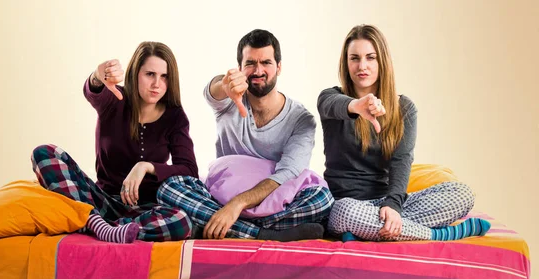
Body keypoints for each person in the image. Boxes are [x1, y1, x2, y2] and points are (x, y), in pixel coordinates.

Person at [317, 24, 490, 242]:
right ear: (346, 62)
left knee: (462, 194)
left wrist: (393, 206)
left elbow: (401, 160)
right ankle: (437, 235)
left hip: (387, 203)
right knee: (345, 213)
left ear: (382, 61)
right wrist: (357, 106)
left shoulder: (405, 108)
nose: (362, 65)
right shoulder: (331, 98)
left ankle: (372, 230)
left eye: (371, 57)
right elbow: (331, 105)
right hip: (348, 205)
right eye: (355, 58)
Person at [157, 29, 334, 241]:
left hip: (274, 203)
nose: (258, 70)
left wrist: (237, 204)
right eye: (250, 63)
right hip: (220, 198)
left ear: (279, 66)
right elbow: (212, 91)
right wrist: (224, 85)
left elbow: (285, 175)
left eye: (266, 62)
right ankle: (262, 233)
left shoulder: (301, 119)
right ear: (240, 68)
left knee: (322, 200)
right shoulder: (228, 100)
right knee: (169, 187)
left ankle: (223, 226)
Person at [31, 41, 198, 244]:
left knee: (182, 221)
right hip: (100, 201)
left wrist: (146, 167)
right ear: (135, 73)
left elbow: (189, 171)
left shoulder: (175, 116)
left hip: (146, 210)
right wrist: (97, 76)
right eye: (150, 74)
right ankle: (97, 223)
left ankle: (103, 228)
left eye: (164, 77)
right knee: (44, 153)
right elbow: (93, 90)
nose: (157, 84)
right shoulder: (115, 98)